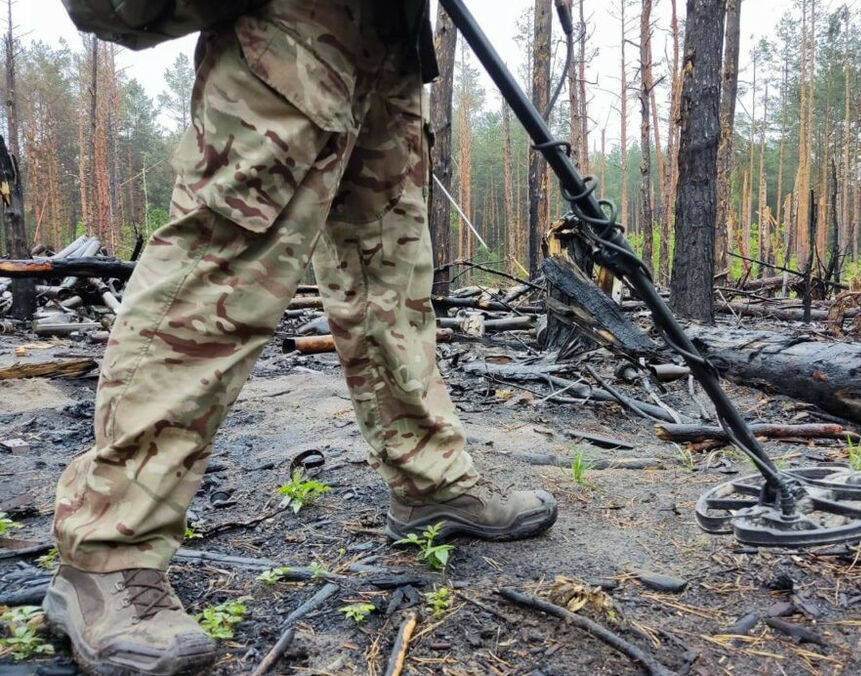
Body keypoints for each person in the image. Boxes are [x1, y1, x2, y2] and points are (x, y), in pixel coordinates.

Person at [42, 2, 557, 673]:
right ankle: (109, 549)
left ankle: (430, 482)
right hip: (294, 15)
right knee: (226, 254)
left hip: (390, 30)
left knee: (390, 272)